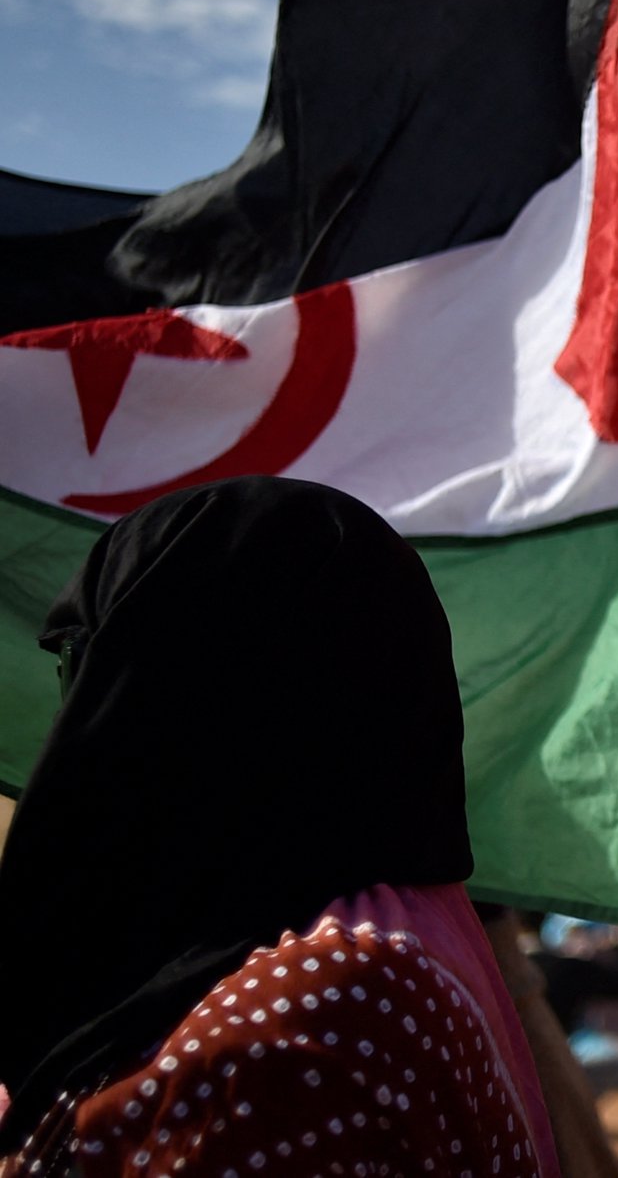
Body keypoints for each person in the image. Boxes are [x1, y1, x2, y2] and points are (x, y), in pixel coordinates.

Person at [0, 475, 561, 1177]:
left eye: (95, 670)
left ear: (200, 692)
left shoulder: (302, 1020)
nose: (77, 722)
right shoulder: (382, 932)